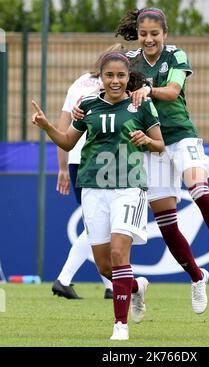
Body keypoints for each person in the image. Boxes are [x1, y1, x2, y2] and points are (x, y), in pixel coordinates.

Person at [114, 8, 209, 311]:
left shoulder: (176, 56)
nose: (149, 39)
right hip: (152, 144)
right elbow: (112, 88)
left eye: (155, 33)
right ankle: (197, 277)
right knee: (166, 222)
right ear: (138, 35)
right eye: (144, 34)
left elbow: (174, 90)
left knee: (199, 188)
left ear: (164, 33)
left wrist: (147, 90)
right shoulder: (131, 61)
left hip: (181, 136)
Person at [32, 51, 165, 340]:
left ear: (129, 77)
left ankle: (120, 325)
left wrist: (147, 140)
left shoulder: (141, 105)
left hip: (129, 188)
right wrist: (46, 127)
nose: (115, 81)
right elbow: (68, 142)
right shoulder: (87, 105)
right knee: (106, 266)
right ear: (101, 79)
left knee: (119, 254)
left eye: (121, 76)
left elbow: (160, 145)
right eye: (110, 75)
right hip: (93, 189)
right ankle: (136, 286)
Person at [53, 45, 126, 300]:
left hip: (75, 159)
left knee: (96, 223)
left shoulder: (79, 83)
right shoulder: (115, 89)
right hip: (100, 161)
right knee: (98, 225)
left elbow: (64, 125)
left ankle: (110, 285)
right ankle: (64, 278)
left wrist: (62, 166)